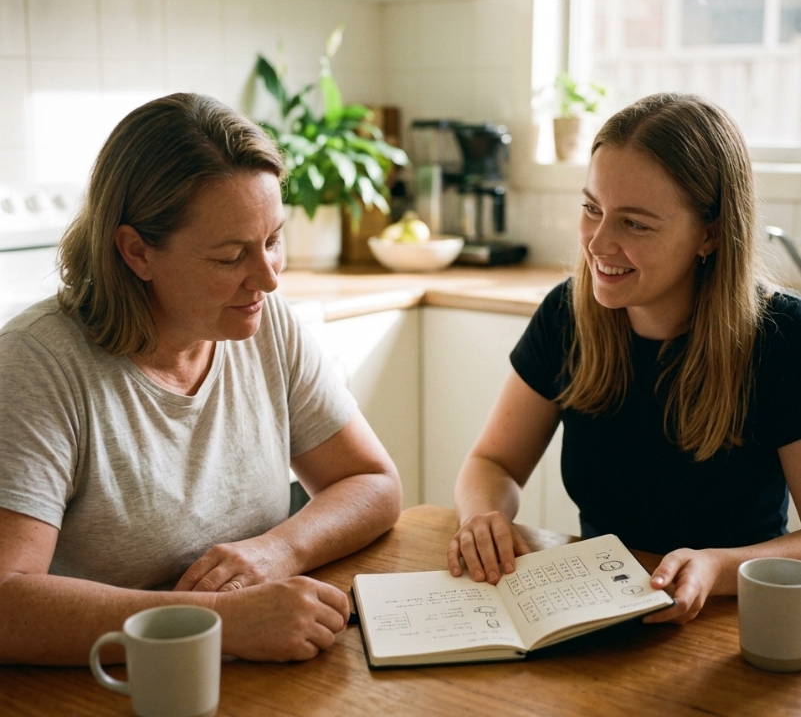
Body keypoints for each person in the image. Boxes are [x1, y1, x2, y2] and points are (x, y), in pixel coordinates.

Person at [0, 93, 402, 665]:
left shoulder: (265, 324)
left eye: (272, 241)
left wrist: (278, 551)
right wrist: (218, 621)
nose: (266, 279)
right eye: (230, 256)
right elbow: (7, 604)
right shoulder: (39, 362)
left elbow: (373, 481)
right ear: (136, 251)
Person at [447, 92, 801, 625]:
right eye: (592, 209)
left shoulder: (781, 337)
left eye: (635, 224)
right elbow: (492, 463)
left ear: (709, 233)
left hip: (733, 624)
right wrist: (484, 516)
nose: (599, 244)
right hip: (602, 614)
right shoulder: (568, 313)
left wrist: (717, 568)